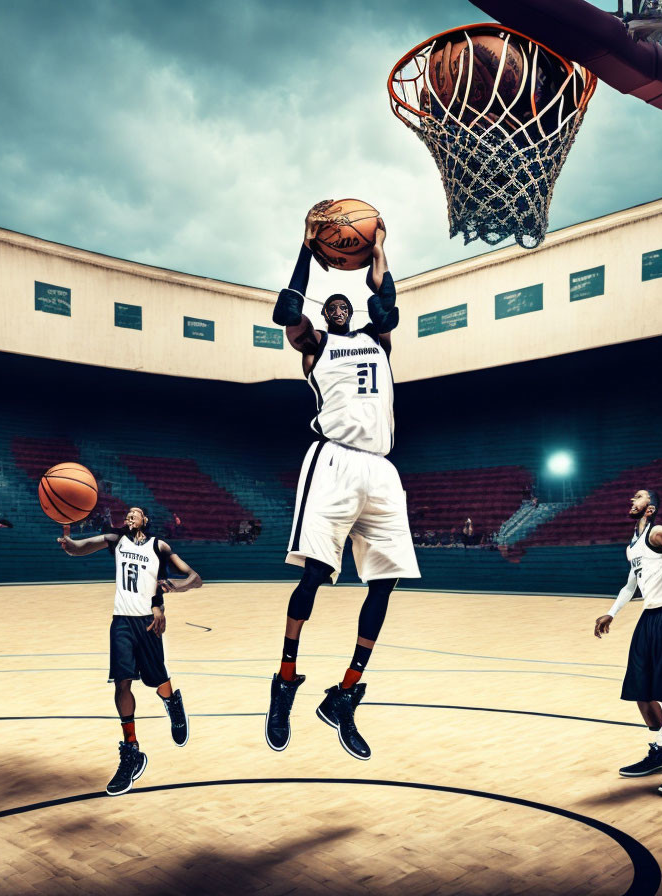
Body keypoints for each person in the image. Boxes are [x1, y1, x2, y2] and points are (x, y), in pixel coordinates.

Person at [265, 205, 420, 761]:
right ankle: (284, 682)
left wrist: (377, 248)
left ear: (351, 311)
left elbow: (387, 301)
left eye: (343, 303)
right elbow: (288, 307)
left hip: (382, 468)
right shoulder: (315, 346)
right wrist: (308, 248)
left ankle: (346, 694)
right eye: (328, 305)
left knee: (386, 583)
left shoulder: (378, 338)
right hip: (333, 461)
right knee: (315, 577)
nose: (337, 306)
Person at [57, 506, 202, 796]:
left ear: (145, 520)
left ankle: (173, 701)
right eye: (127, 514)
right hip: (122, 621)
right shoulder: (116, 540)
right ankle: (131, 749)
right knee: (122, 682)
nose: (129, 516)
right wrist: (70, 544)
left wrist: (177, 586)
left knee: (158, 681)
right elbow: (82, 548)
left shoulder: (159, 546)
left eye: (135, 513)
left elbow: (195, 578)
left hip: (149, 622)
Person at [594, 489, 662, 798]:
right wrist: (612, 612)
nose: (631, 499)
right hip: (648, 619)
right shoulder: (633, 543)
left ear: (649, 509)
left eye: (638, 497)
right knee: (641, 688)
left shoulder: (661, 533)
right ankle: (661, 753)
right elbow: (630, 584)